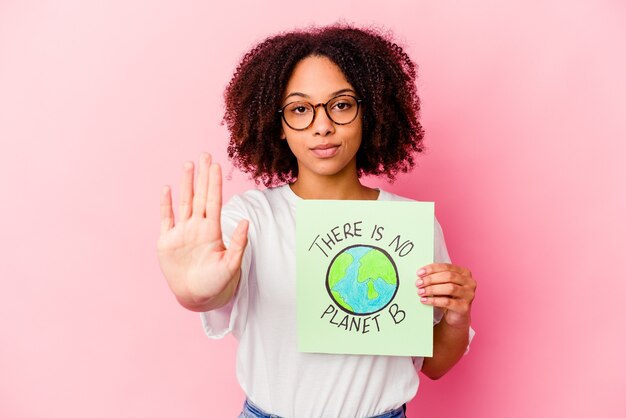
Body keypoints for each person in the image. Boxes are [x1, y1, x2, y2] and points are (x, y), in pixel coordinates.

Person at [157, 24, 477, 418]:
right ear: (278, 124)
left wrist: (459, 313)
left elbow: (434, 365)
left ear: (369, 111)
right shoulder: (251, 219)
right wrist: (195, 292)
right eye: (300, 109)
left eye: (341, 105)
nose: (322, 125)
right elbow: (212, 291)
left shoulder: (410, 224)